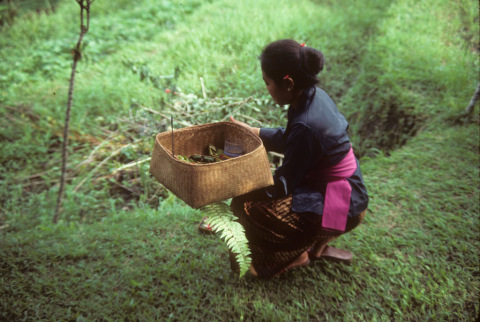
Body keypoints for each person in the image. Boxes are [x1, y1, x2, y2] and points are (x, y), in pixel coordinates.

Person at [229, 39, 369, 278]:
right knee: (253, 196)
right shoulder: (313, 96)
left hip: (344, 205)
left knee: (247, 206)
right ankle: (317, 247)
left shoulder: (306, 122)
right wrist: (253, 133)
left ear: (288, 83)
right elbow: (294, 140)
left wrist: (241, 184)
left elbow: (284, 184)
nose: (266, 88)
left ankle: (299, 253)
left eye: (267, 82)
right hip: (352, 191)